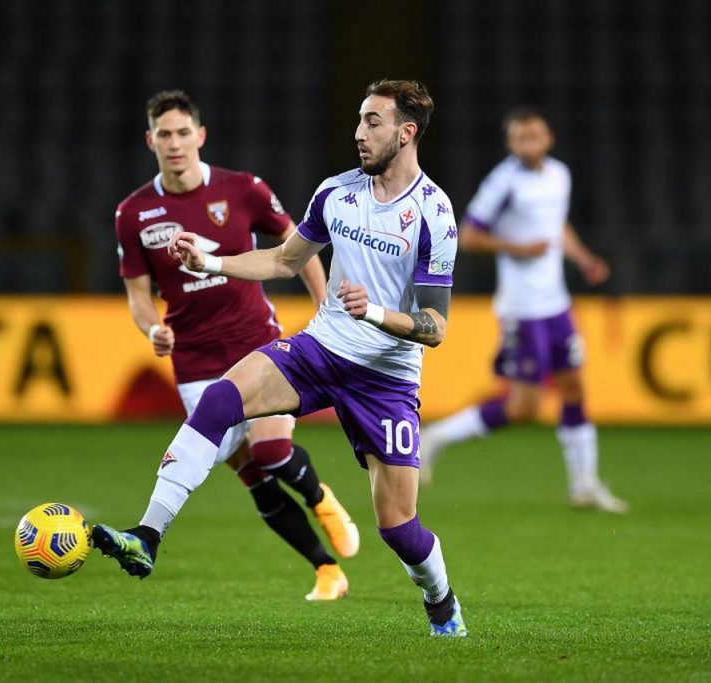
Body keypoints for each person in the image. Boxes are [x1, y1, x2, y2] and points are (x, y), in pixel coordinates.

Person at [95, 80, 466, 636]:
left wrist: (377, 314)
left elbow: (435, 327)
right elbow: (284, 260)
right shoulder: (336, 193)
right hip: (320, 348)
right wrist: (210, 260)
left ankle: (440, 599)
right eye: (359, 120)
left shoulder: (434, 214)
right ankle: (146, 536)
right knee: (221, 400)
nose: (358, 133)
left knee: (398, 528)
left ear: (406, 132)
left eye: (372, 122)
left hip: (385, 378)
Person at [112, 90, 359, 601]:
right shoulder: (133, 213)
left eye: (184, 133)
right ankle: (326, 570)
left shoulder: (243, 190)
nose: (175, 143)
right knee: (254, 478)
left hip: (256, 342)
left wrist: (325, 307)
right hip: (195, 361)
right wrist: (149, 329)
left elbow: (301, 248)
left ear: (200, 136)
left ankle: (320, 496)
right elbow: (138, 295)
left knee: (270, 451)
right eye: (165, 134)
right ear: (150, 140)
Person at [418, 108, 628, 513]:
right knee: (524, 407)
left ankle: (584, 485)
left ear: (548, 139)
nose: (529, 144)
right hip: (522, 308)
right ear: (511, 143)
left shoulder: (559, 175)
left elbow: (556, 225)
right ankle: (436, 437)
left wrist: (583, 259)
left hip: (556, 304)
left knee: (573, 387)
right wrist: (518, 248)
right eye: (520, 138)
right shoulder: (504, 182)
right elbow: (471, 235)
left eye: (535, 136)